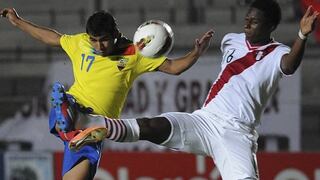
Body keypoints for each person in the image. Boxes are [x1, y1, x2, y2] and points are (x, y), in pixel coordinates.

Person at [65, 0, 319, 179]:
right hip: (205, 120)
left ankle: (93, 122)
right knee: (153, 126)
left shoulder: (279, 53)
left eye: (255, 21)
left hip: (237, 133)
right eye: (247, 19)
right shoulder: (232, 40)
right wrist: (197, 52)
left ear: (271, 26)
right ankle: (94, 124)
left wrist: (302, 35)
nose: (248, 24)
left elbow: (290, 66)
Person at [0, 8, 214, 180]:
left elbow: (174, 68)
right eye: (94, 39)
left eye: (103, 39)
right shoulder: (80, 42)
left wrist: (196, 53)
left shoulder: (134, 53)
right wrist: (17, 21)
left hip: (97, 128)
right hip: (75, 105)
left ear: (115, 34)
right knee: (66, 111)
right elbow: (51, 38)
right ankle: (71, 119)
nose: (98, 45)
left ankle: (74, 129)